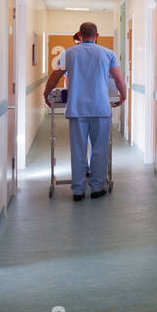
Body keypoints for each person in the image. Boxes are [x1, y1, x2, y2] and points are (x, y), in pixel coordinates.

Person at [43, 22, 127, 200]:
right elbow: (119, 80)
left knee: (78, 150)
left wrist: (46, 93)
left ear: (80, 36)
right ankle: (96, 188)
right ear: (97, 36)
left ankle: (78, 190)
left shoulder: (68, 53)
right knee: (100, 149)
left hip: (77, 109)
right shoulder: (108, 54)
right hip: (101, 109)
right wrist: (123, 95)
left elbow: (55, 76)